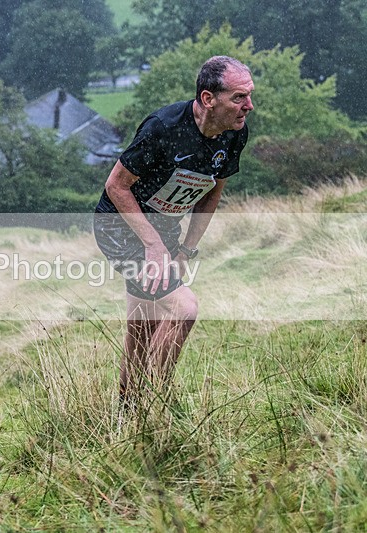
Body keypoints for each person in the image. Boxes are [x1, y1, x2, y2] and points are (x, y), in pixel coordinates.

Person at [93, 56, 254, 409]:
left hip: (164, 232)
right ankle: (157, 402)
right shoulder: (163, 128)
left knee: (142, 331)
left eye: (250, 96)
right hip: (119, 227)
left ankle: (127, 411)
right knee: (184, 308)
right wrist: (153, 246)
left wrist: (185, 250)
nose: (249, 106)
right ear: (209, 98)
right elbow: (116, 187)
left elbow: (213, 192)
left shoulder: (235, 133)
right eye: (239, 97)